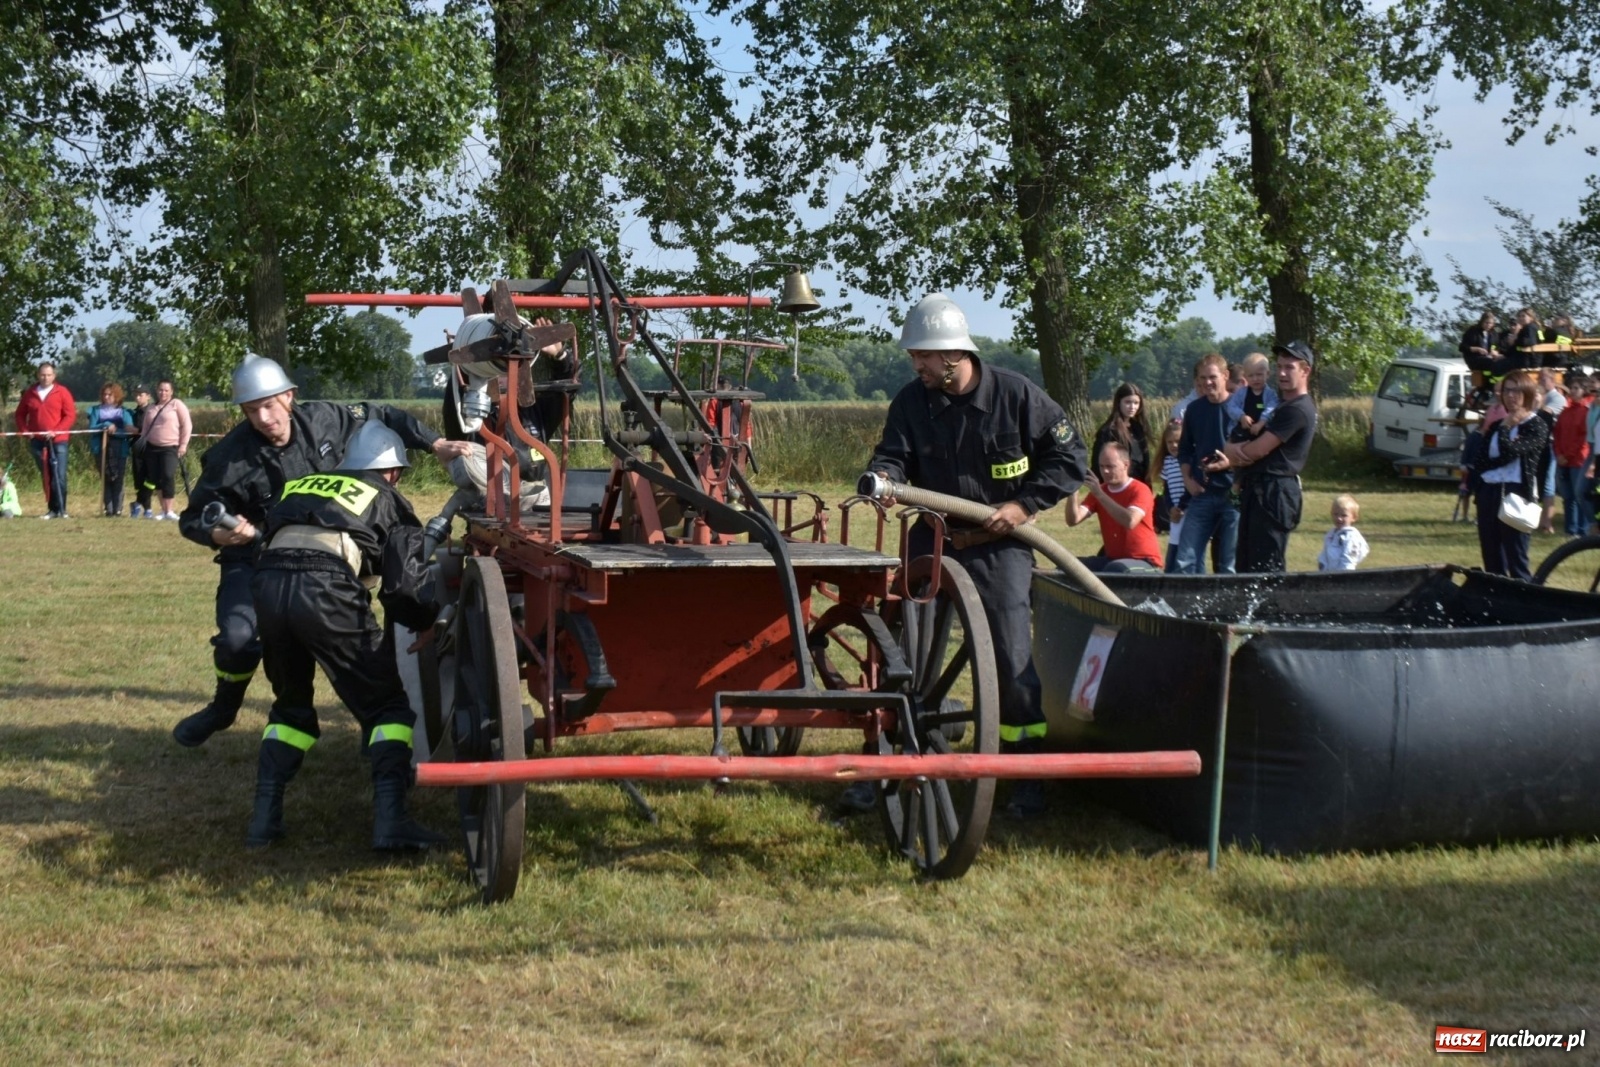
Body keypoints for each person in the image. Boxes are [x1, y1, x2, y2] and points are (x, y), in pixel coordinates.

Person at [173, 353, 471, 749]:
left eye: (269, 405)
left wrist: (434, 443)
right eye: (251, 410)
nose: (263, 418)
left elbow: (383, 413)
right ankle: (223, 708)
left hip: (332, 556)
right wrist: (217, 534)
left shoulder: (329, 419)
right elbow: (192, 518)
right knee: (237, 641)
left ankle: (381, 732)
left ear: (290, 396)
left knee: (375, 633)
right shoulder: (228, 457)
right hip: (256, 558)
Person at [863, 293, 1087, 819]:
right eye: (914, 356)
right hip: (933, 540)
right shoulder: (911, 403)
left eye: (923, 355)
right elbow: (892, 454)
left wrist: (1024, 504)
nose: (915, 364)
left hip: (999, 549)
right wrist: (888, 478)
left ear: (954, 354)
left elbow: (1070, 456)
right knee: (902, 654)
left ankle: (1024, 770)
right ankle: (885, 762)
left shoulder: (1017, 396)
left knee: (1012, 661)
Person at [245, 421, 445, 850]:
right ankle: (392, 823)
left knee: (291, 708)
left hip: (268, 586)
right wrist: (425, 620)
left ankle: (264, 822)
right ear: (391, 470)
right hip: (325, 589)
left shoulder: (300, 485)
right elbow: (403, 586)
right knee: (387, 709)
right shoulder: (389, 499)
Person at [1206, 340, 1320, 573]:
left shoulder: (1297, 409)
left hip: (1275, 491)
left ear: (1305, 371)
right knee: (1245, 565)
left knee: (1266, 568)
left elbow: (1258, 450)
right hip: (1254, 487)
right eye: (1279, 367)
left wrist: (1231, 453)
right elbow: (1240, 445)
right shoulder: (1277, 403)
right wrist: (1231, 450)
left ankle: (1273, 610)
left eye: (1289, 367)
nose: (1282, 373)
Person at [1472, 372, 1549, 580]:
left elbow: (1511, 451)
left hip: (1516, 492)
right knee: (1491, 554)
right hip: (1489, 490)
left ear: (1527, 393)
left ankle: (1526, 601)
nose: (1511, 396)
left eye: (1516, 390)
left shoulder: (1536, 425)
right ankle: (1496, 601)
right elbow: (1480, 461)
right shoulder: (1496, 426)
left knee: (1516, 556)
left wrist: (1507, 428)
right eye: (1507, 390)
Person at [1173, 354, 1239, 575]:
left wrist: (1230, 463)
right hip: (1202, 493)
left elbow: (1252, 450)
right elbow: (1184, 450)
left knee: (1229, 563)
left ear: (1225, 376)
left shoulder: (1239, 409)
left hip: (1234, 491)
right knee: (1185, 560)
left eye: (1212, 377)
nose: (1207, 383)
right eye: (1203, 378)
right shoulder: (1194, 409)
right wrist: (1187, 479)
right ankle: (1185, 608)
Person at [1063, 441, 1162, 572]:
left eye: (1110, 466)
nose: (1105, 471)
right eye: (1101, 466)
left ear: (1126, 465)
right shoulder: (1100, 491)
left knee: (1115, 569)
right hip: (1113, 560)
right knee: (1067, 566)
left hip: (1145, 562)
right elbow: (1073, 520)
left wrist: (1100, 495)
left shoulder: (1140, 490)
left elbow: (1130, 521)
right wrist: (1073, 492)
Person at [12, 361, 76, 519]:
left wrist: (57, 431)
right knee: (47, 475)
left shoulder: (62, 392)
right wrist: (25, 431)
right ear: (38, 375)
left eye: (48, 375)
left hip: (58, 440)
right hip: (38, 442)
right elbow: (20, 414)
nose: (45, 378)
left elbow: (70, 415)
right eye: (42, 375)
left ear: (54, 376)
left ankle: (62, 509)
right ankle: (52, 510)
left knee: (59, 475)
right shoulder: (30, 393)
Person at [140, 379, 193, 521]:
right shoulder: (151, 408)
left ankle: (170, 510)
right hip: (152, 448)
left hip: (170, 447)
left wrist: (183, 444)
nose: (163, 393)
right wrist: (143, 442)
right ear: (156, 391)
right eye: (160, 390)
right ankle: (163, 510)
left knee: (168, 475)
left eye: (166, 390)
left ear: (171, 392)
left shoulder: (177, 405)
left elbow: (187, 425)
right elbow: (145, 428)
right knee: (156, 479)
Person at [1553, 373, 1592, 537]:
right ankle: (1570, 529)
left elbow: (1583, 438)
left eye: (1577, 388)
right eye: (1572, 388)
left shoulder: (1585, 412)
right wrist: (1559, 453)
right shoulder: (1565, 412)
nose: (1573, 391)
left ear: (1584, 391)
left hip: (1577, 460)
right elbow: (1557, 435)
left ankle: (1582, 529)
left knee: (1579, 495)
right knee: (1567, 497)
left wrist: (1567, 455)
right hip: (1564, 461)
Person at [87, 383, 135, 516]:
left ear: (117, 395)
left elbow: (128, 430)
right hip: (101, 448)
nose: (107, 397)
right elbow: (91, 429)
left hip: (119, 448)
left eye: (110, 394)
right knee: (105, 478)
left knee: (118, 478)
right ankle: (108, 508)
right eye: (105, 394)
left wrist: (115, 432)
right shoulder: (96, 411)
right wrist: (105, 425)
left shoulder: (124, 412)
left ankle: (118, 508)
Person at [1089, 382, 1151, 483]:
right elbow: (1098, 464)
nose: (1132, 407)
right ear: (1119, 402)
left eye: (1136, 403)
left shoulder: (1139, 428)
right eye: (1128, 402)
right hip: (1117, 485)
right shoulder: (1108, 431)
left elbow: (1145, 462)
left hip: (1139, 484)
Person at [1155, 421, 1187, 571]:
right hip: (1175, 512)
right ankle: (1170, 574)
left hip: (1188, 510)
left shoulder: (1188, 461)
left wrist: (1181, 507)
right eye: (1170, 442)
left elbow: (1190, 487)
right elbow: (1167, 490)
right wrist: (1170, 509)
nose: (1174, 445)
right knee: (1174, 543)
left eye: (1178, 441)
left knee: (1187, 546)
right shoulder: (1167, 462)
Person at [1224, 352, 1277, 437]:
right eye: (1251, 375)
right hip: (1241, 431)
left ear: (1267, 374)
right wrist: (1241, 416)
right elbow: (1231, 407)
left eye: (1259, 374)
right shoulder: (1240, 393)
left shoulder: (1271, 395)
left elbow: (1271, 410)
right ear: (1245, 376)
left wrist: (1261, 423)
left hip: (1262, 432)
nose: (1255, 379)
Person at [1317, 494, 1369, 571]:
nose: (1339, 518)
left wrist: (1342, 577)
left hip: (1342, 576)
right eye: (1336, 514)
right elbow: (1324, 555)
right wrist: (1323, 568)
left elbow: (1348, 560)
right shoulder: (1331, 534)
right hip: (1328, 575)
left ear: (1354, 517)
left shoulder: (1351, 536)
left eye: (1344, 515)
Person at [128, 384, 155, 518]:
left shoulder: (153, 411)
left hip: (151, 447)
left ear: (148, 396)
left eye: (141, 395)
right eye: (136, 395)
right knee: (140, 479)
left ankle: (138, 503)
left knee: (151, 478)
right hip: (138, 448)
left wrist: (136, 430)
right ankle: (147, 509)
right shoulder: (134, 412)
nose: (137, 397)